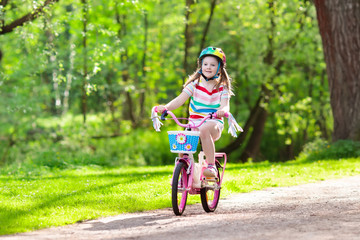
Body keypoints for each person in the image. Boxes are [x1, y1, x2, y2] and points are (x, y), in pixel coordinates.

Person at [156, 46, 233, 177]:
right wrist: (166, 107)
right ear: (201, 66)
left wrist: (222, 111)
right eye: (205, 64)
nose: (208, 67)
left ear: (219, 68)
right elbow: (179, 100)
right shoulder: (194, 85)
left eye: (213, 65)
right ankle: (184, 172)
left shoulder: (222, 88)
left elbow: (226, 106)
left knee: (204, 129)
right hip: (194, 124)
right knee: (182, 142)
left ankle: (211, 166)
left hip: (213, 124)